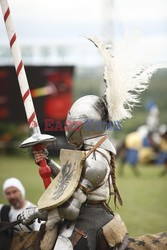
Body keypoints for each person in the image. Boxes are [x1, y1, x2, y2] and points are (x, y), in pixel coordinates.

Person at [18, 37, 161, 250]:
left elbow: (71, 209)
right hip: (81, 210)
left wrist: (37, 212)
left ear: (83, 125)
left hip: (91, 216)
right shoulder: (88, 149)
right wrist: (48, 161)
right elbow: (68, 179)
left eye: (72, 121)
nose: (68, 124)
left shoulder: (96, 162)